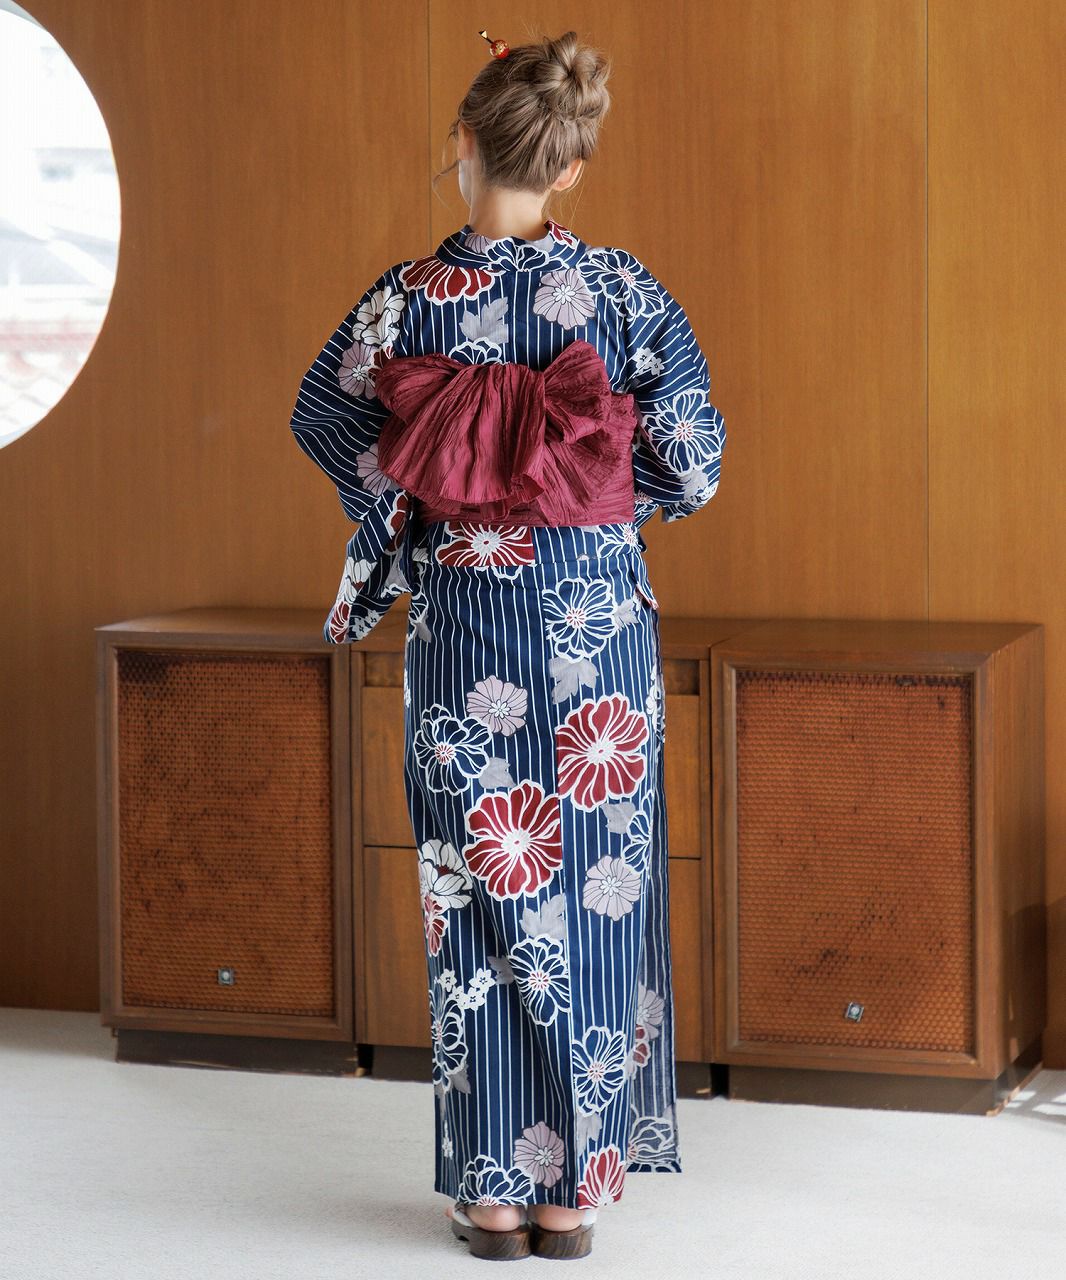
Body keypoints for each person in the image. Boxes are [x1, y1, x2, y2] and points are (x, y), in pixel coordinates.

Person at [289, 28, 726, 1262]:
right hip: (598, 637)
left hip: (464, 623)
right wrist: (595, 500)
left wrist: (427, 497)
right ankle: (570, 1197)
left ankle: (492, 1193)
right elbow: (693, 461)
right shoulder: (624, 293)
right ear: (571, 166)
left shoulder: (406, 299)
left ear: (463, 143)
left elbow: (322, 416)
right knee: (595, 890)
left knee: (474, 893)